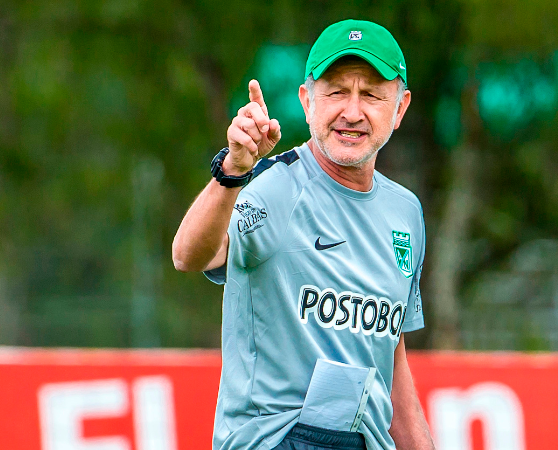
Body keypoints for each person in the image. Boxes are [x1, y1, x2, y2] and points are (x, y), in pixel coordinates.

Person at [172, 18, 434, 450]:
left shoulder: (405, 211)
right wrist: (233, 170)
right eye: (336, 92)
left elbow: (390, 359)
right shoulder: (273, 186)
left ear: (400, 108)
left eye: (371, 94)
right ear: (307, 102)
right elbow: (189, 255)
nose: (352, 112)